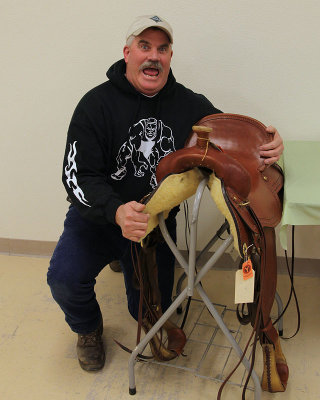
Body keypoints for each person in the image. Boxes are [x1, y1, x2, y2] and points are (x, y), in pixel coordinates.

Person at [47, 15, 284, 372]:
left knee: (147, 308)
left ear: (171, 56)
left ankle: (125, 262)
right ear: (127, 53)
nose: (153, 56)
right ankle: (87, 329)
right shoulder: (95, 105)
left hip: (152, 226)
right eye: (144, 46)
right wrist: (114, 212)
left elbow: (231, 137)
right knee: (63, 279)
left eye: (162, 48)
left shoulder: (188, 105)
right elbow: (77, 175)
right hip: (97, 218)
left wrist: (268, 144)